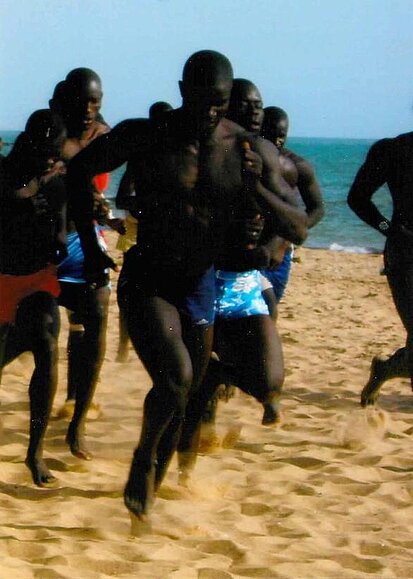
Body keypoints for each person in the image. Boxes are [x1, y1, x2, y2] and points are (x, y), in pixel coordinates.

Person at [67, 50, 307, 523]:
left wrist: (257, 187)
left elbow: (297, 225)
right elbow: (78, 172)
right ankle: (142, 459)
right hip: (148, 278)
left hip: (200, 284)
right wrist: (93, 248)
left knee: (187, 390)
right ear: (182, 90)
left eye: (219, 102)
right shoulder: (148, 134)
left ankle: (149, 491)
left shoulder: (246, 148)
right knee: (175, 378)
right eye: (201, 99)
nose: (210, 110)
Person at [177, 79, 304, 483]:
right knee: (193, 393)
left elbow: (297, 220)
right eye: (245, 105)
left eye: (258, 105)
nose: (254, 113)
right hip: (203, 281)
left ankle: (221, 375)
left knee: (269, 384)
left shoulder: (262, 155)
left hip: (247, 282)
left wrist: (270, 240)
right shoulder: (200, 151)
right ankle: (184, 468)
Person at [50, 68, 116, 459]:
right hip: (44, 238)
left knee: (94, 317)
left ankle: (77, 420)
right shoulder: (49, 132)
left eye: (96, 102)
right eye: (83, 102)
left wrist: (111, 214)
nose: (90, 110)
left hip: (83, 239)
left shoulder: (105, 136)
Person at [0, 109, 67, 486]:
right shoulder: (5, 174)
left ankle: (35, 453)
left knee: (46, 342)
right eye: (43, 151)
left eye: (54, 152)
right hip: (2, 278)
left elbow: (59, 240)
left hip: (39, 279)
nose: (49, 158)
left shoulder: (57, 183)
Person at [348, 129, 413, 406]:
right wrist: (389, 229)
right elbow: (358, 198)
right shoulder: (394, 149)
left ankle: (386, 370)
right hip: (405, 255)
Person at [115, 101, 173, 362]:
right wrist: (144, 208)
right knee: (129, 293)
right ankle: (124, 344)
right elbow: (121, 199)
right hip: (135, 235)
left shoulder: (179, 155)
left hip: (165, 237)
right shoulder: (140, 158)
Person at [261, 106, 324, 314]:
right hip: (251, 246)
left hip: (279, 251)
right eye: (271, 134)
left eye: (282, 136)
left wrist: (283, 239)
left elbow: (317, 209)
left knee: (268, 308)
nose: (277, 141)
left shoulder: (296, 166)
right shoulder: (250, 158)